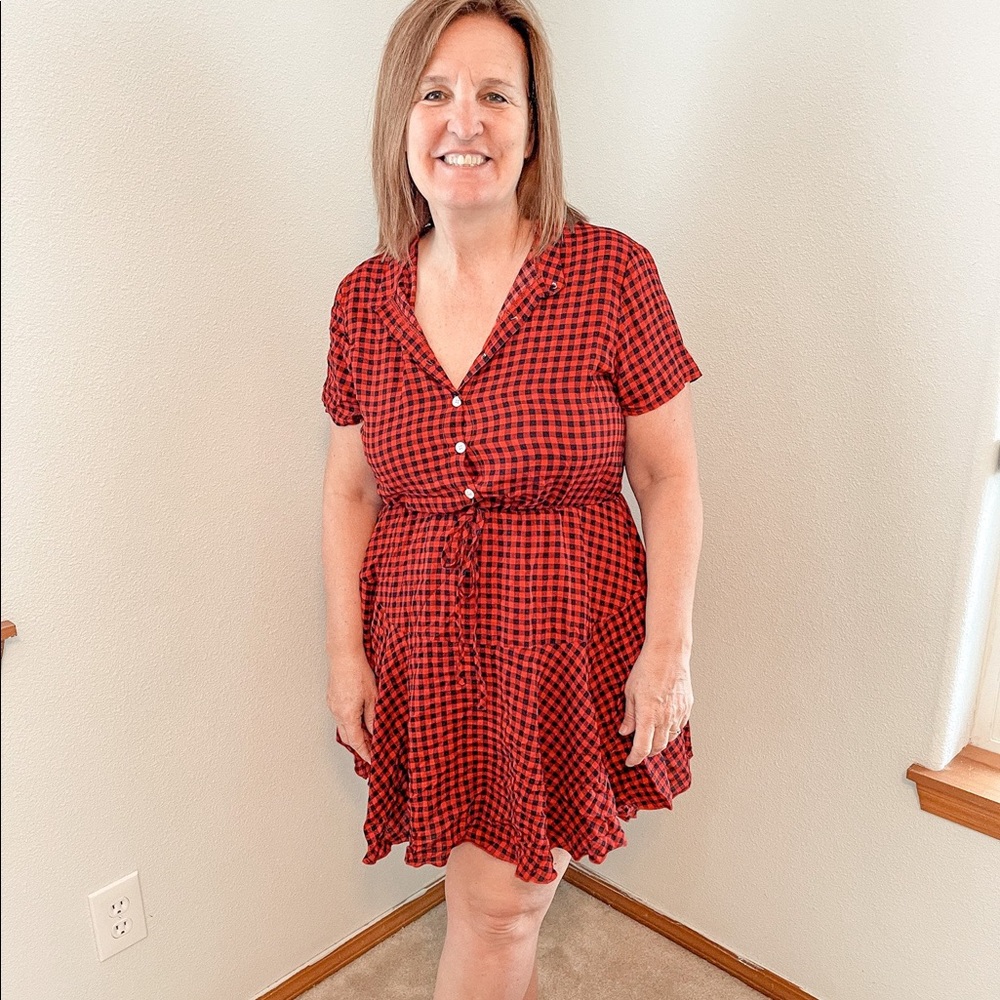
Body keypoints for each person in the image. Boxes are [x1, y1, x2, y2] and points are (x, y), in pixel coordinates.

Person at [321, 1, 702, 997]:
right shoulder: (364, 300)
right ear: (398, 122)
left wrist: (668, 653)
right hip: (427, 656)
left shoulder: (610, 273)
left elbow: (667, 477)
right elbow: (350, 485)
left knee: (499, 909)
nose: (464, 120)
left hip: (564, 651)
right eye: (435, 92)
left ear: (535, 129)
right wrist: (344, 652)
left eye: (495, 94)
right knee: (494, 907)